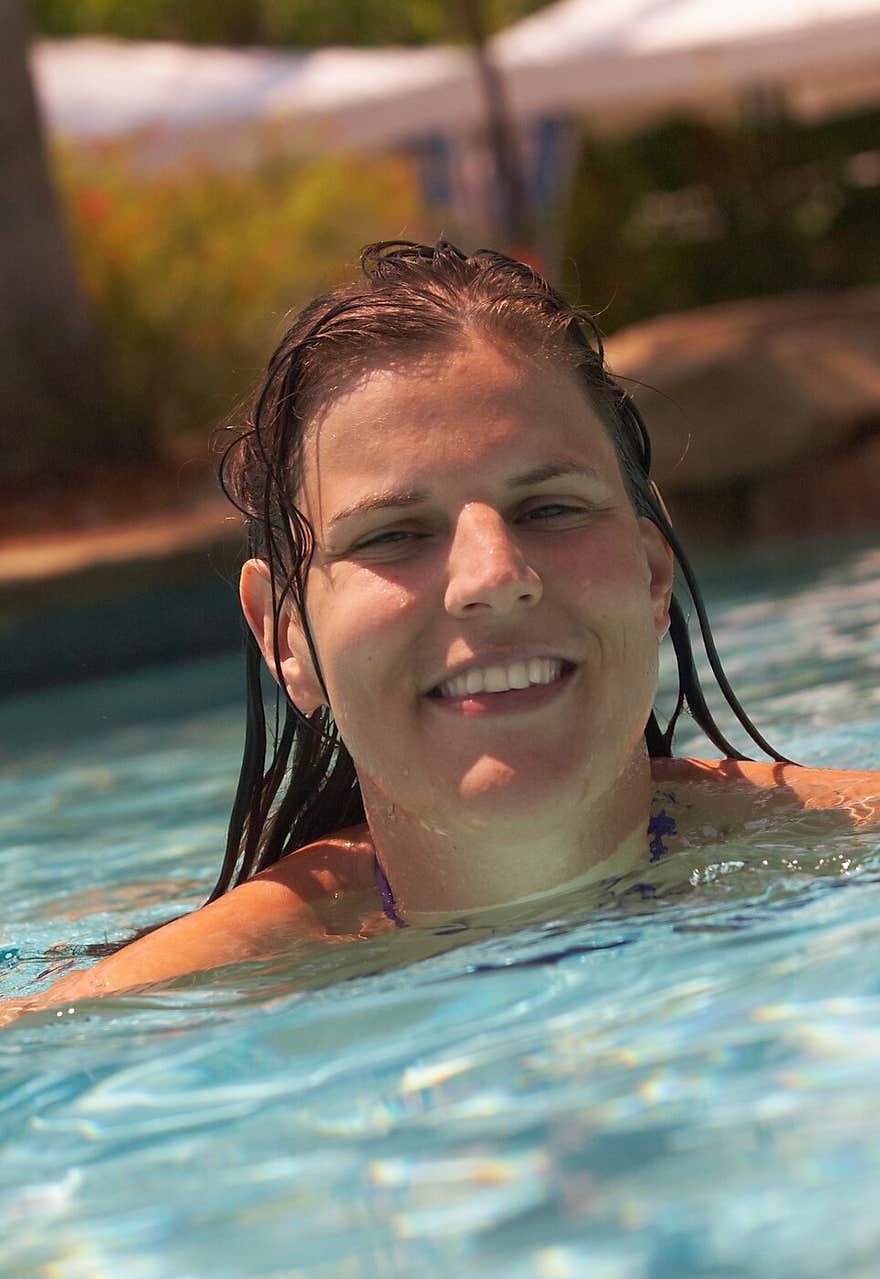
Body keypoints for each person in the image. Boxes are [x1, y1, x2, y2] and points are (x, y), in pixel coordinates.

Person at [17, 240, 880, 1010]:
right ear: (286, 637)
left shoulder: (846, 853)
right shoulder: (144, 1010)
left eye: (550, 506)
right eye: (393, 534)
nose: (494, 577)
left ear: (653, 575)